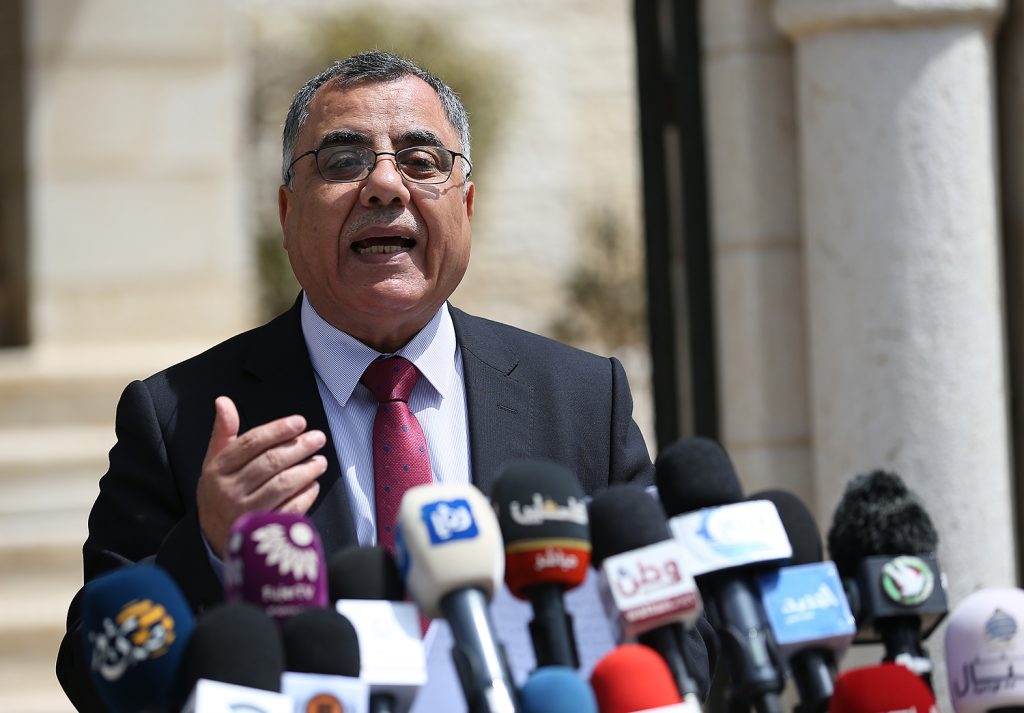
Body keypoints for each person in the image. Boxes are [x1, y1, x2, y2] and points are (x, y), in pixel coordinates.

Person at [56, 50, 711, 709]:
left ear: (467, 205)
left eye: (422, 161)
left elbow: (689, 645)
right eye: (343, 161)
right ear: (287, 211)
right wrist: (209, 546)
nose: (385, 186)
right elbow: (92, 668)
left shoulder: (581, 398)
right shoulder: (178, 414)